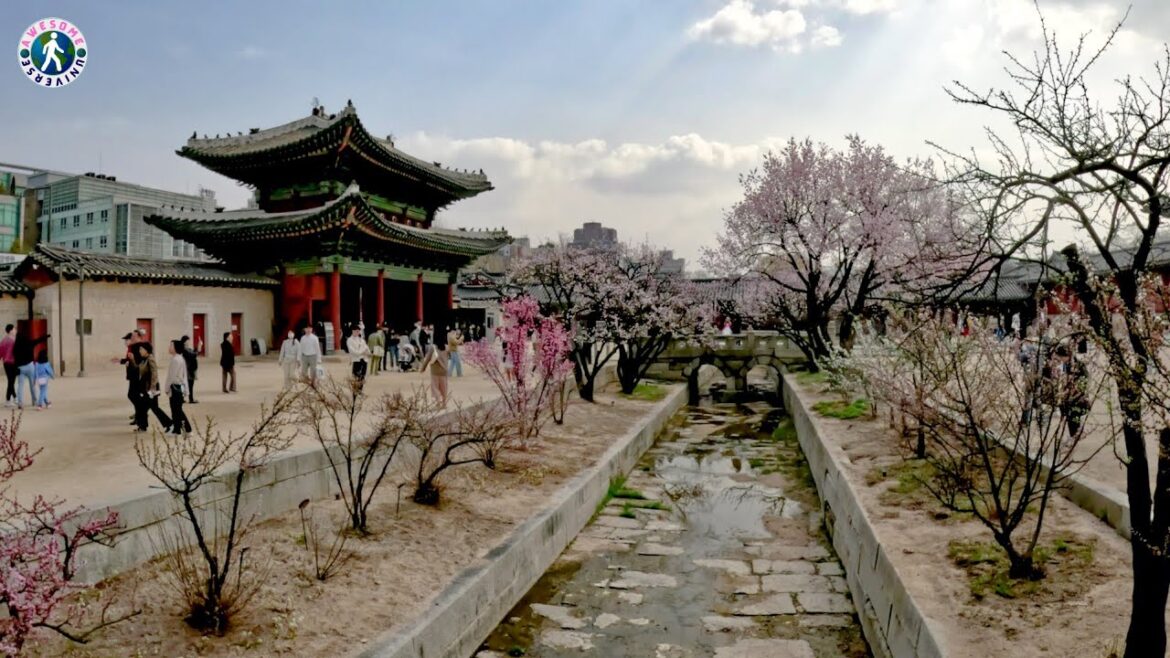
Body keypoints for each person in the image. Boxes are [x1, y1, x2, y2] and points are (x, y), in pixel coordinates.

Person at [134, 342, 171, 432]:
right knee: (143, 406)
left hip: (151, 388)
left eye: (141, 349)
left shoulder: (150, 359)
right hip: (146, 387)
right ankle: (143, 426)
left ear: (147, 350)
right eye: (139, 349)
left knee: (154, 407)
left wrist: (152, 388)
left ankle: (169, 424)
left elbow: (154, 373)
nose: (140, 351)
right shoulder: (144, 359)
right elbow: (140, 368)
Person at [13, 331, 49, 410]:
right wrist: (46, 336)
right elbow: (38, 340)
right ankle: (34, 401)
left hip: (20, 368)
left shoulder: (16, 346)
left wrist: (15, 368)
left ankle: (20, 403)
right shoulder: (29, 343)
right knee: (32, 384)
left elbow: (15, 359)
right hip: (30, 366)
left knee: (20, 385)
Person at [165, 340, 192, 435]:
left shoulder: (176, 360)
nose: (169, 347)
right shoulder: (179, 358)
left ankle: (187, 430)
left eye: (171, 345)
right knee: (176, 410)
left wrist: (167, 388)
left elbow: (171, 377)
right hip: (179, 387)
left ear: (176, 348)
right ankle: (177, 429)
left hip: (175, 387)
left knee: (177, 410)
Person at [419, 339, 450, 407]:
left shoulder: (433, 348)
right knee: (444, 387)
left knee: (435, 387)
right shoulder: (447, 347)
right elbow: (449, 356)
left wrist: (423, 368)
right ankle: (444, 403)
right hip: (444, 371)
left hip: (435, 371)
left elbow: (427, 359)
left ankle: (438, 401)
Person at [180, 335, 199, 404]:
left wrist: (197, 347)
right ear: (185, 342)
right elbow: (193, 355)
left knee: (186, 384)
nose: (189, 342)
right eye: (188, 340)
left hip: (189, 368)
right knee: (189, 384)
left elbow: (193, 352)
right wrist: (198, 350)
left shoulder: (187, 348)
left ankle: (182, 398)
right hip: (189, 369)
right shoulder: (184, 349)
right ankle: (190, 399)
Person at [0, 325, 15, 407]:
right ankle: (9, 399)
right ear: (10, 330)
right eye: (14, 329)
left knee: (11, 381)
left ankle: (12, 398)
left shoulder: (3, 340)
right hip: (12, 363)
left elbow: (0, 352)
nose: (15, 330)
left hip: (6, 363)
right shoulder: (13, 341)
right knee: (11, 381)